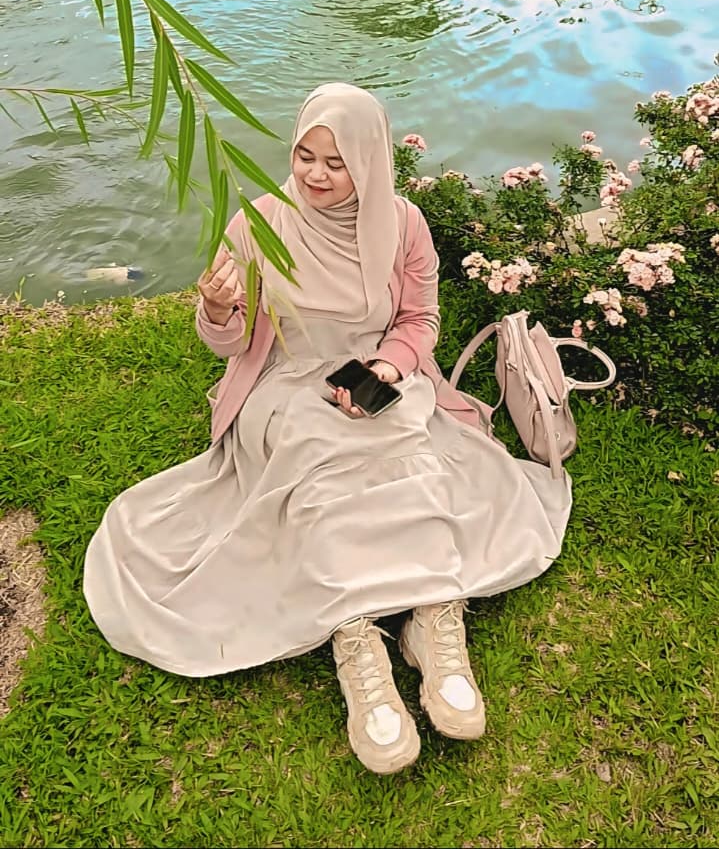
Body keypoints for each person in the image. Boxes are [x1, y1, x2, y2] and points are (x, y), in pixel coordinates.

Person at [84, 83, 571, 775]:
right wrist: (216, 311)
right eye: (305, 156)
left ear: (368, 161)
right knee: (316, 467)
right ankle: (357, 641)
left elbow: (419, 320)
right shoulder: (259, 223)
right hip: (284, 382)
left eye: (336, 163)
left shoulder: (402, 224)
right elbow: (230, 345)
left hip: (376, 376)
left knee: (408, 451)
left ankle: (435, 620)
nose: (315, 175)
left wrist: (389, 368)